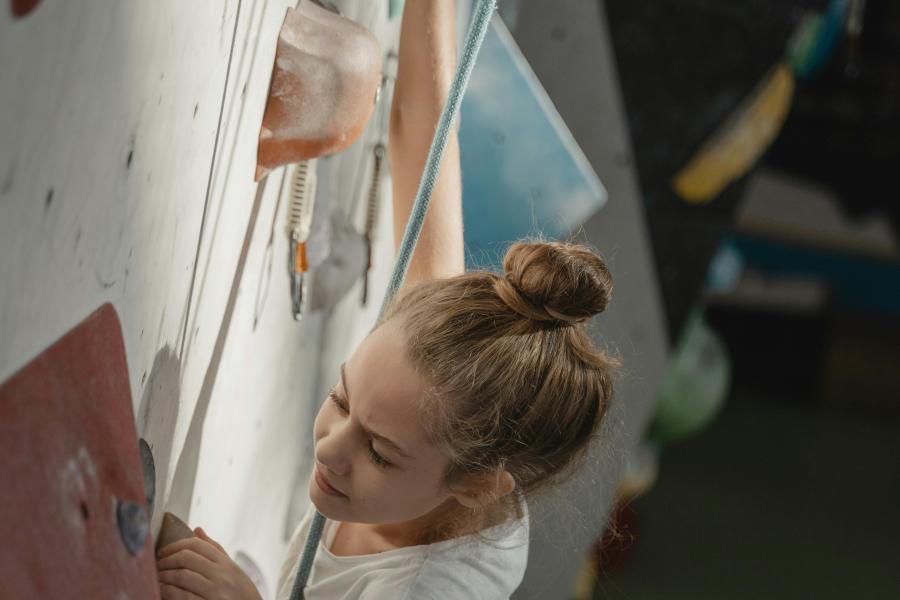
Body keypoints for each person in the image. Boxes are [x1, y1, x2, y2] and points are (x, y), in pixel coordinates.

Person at [156, 2, 617, 599]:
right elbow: (426, 133)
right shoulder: (438, 380)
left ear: (476, 485)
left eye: (378, 450)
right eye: (341, 398)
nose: (330, 445)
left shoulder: (432, 591)